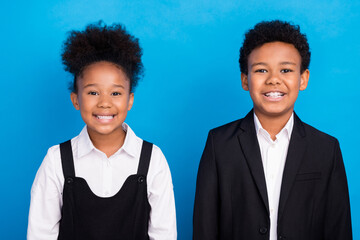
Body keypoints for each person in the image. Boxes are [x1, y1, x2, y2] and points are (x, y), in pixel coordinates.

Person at [193, 20, 352, 240]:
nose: (274, 80)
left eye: (286, 70)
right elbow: (205, 226)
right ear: (245, 80)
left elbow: (338, 227)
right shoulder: (219, 143)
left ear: (303, 78)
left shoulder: (326, 148)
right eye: (261, 70)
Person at [27, 21, 177, 240]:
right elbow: (40, 234)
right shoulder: (56, 160)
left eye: (115, 93)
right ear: (75, 100)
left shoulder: (153, 159)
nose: (104, 103)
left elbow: (164, 234)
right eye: (93, 93)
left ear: (130, 100)